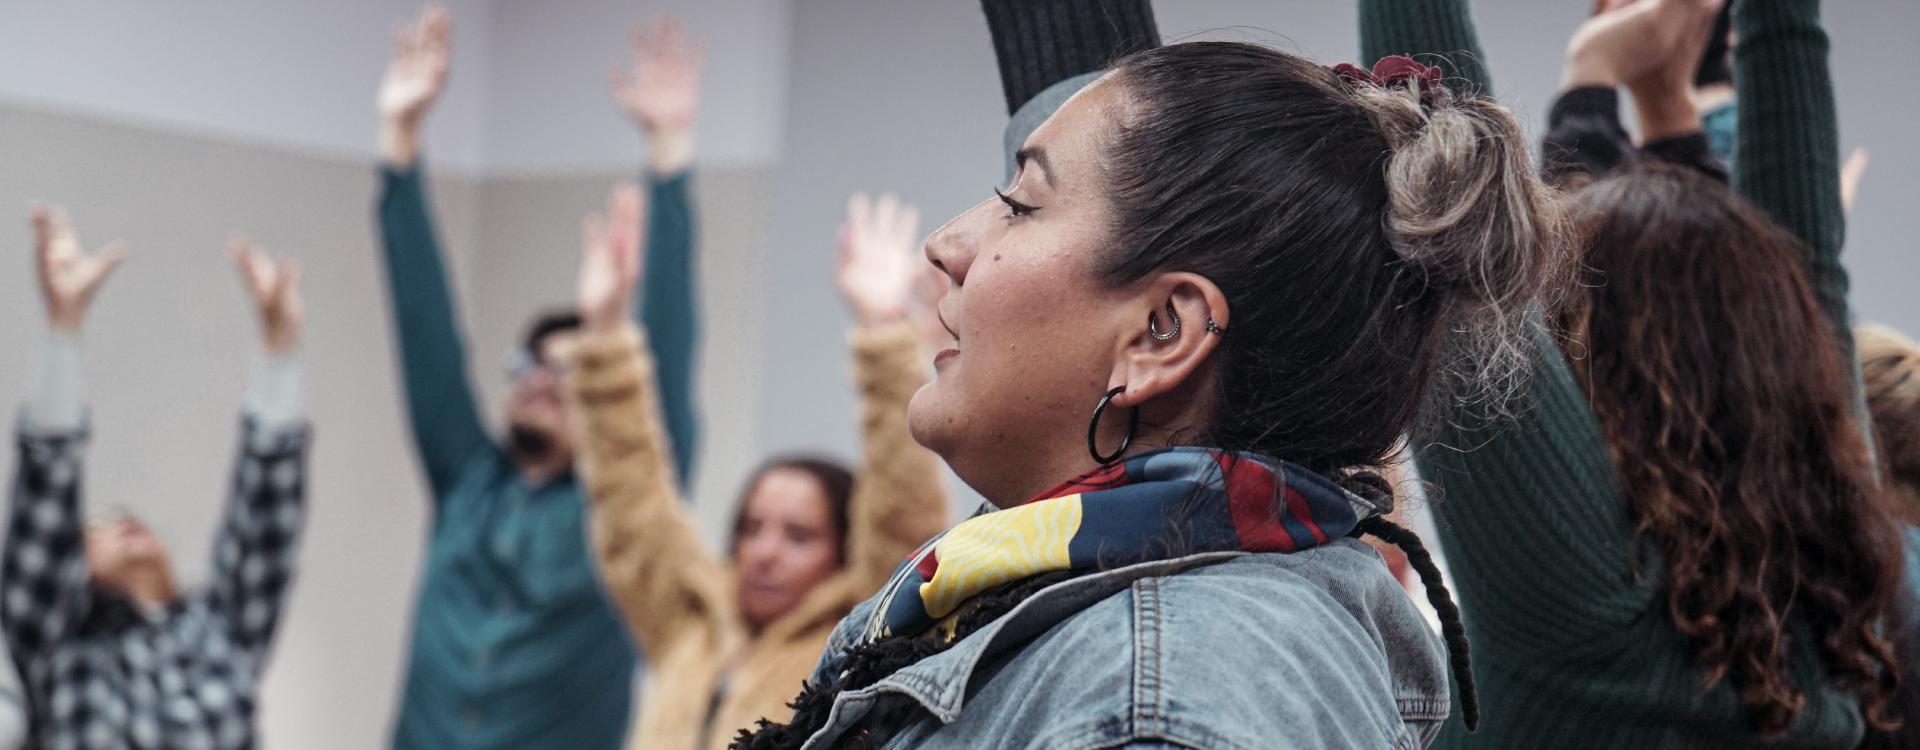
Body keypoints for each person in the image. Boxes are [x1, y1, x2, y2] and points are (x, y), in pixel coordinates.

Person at [734, 16, 1568, 742]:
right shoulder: (1121, 606)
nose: (948, 244)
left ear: (1162, 333)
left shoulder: (1167, 695)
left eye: (1019, 204)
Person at [1365, 0, 1905, 745]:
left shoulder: (1586, 606)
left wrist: (1593, 73)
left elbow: (1455, 206)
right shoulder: (1834, 611)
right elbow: (1802, 261)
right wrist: (1662, 100)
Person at [374, 9, 703, 749]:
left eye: (568, 375)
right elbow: (423, 329)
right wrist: (400, 147)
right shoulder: (468, 481)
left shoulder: (622, 513)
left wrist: (670, 157)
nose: (538, 383)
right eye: (529, 365)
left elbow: (667, 362)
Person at [565, 188, 949, 750]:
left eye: (799, 536)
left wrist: (884, 334)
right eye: (751, 528)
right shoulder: (688, 626)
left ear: (842, 549)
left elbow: (903, 504)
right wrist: (602, 334)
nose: (765, 552)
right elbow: (629, 493)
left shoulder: (851, 651)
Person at [2, 209, 309, 750]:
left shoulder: (221, 636)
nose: (127, 525)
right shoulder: (59, 645)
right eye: (101, 526)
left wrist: (280, 349)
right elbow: (46, 500)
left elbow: (266, 523)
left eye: (134, 520)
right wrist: (63, 329)